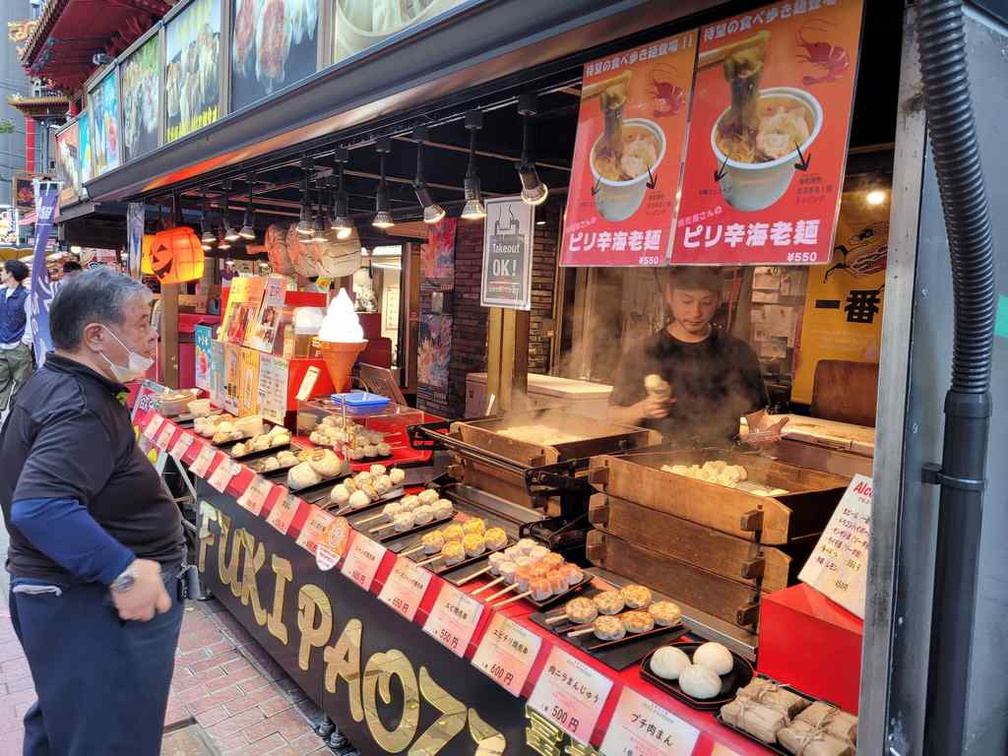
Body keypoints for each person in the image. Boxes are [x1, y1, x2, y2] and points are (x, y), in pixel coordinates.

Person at [0, 268, 186, 755]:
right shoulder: (79, 406)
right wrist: (123, 570)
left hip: (63, 600)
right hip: (87, 606)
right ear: (97, 336)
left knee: (69, 718)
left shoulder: (55, 381)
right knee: (109, 734)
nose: (152, 334)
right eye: (143, 322)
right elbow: (39, 506)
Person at [608, 266, 787, 447]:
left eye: (706, 302)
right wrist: (642, 409)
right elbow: (613, 416)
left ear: (719, 299)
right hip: (655, 462)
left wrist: (765, 434)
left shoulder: (739, 352)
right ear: (669, 295)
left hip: (720, 467)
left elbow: (757, 421)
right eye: (686, 301)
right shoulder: (645, 352)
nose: (696, 312)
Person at [0, 260, 33, 413]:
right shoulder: (0, 292)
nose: (1, 273)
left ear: (10, 274)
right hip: (1, 345)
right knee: (1, 382)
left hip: (18, 347)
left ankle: (16, 414)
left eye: (3, 271)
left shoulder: (26, 296)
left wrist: (24, 342)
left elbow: (31, 321)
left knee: (22, 383)